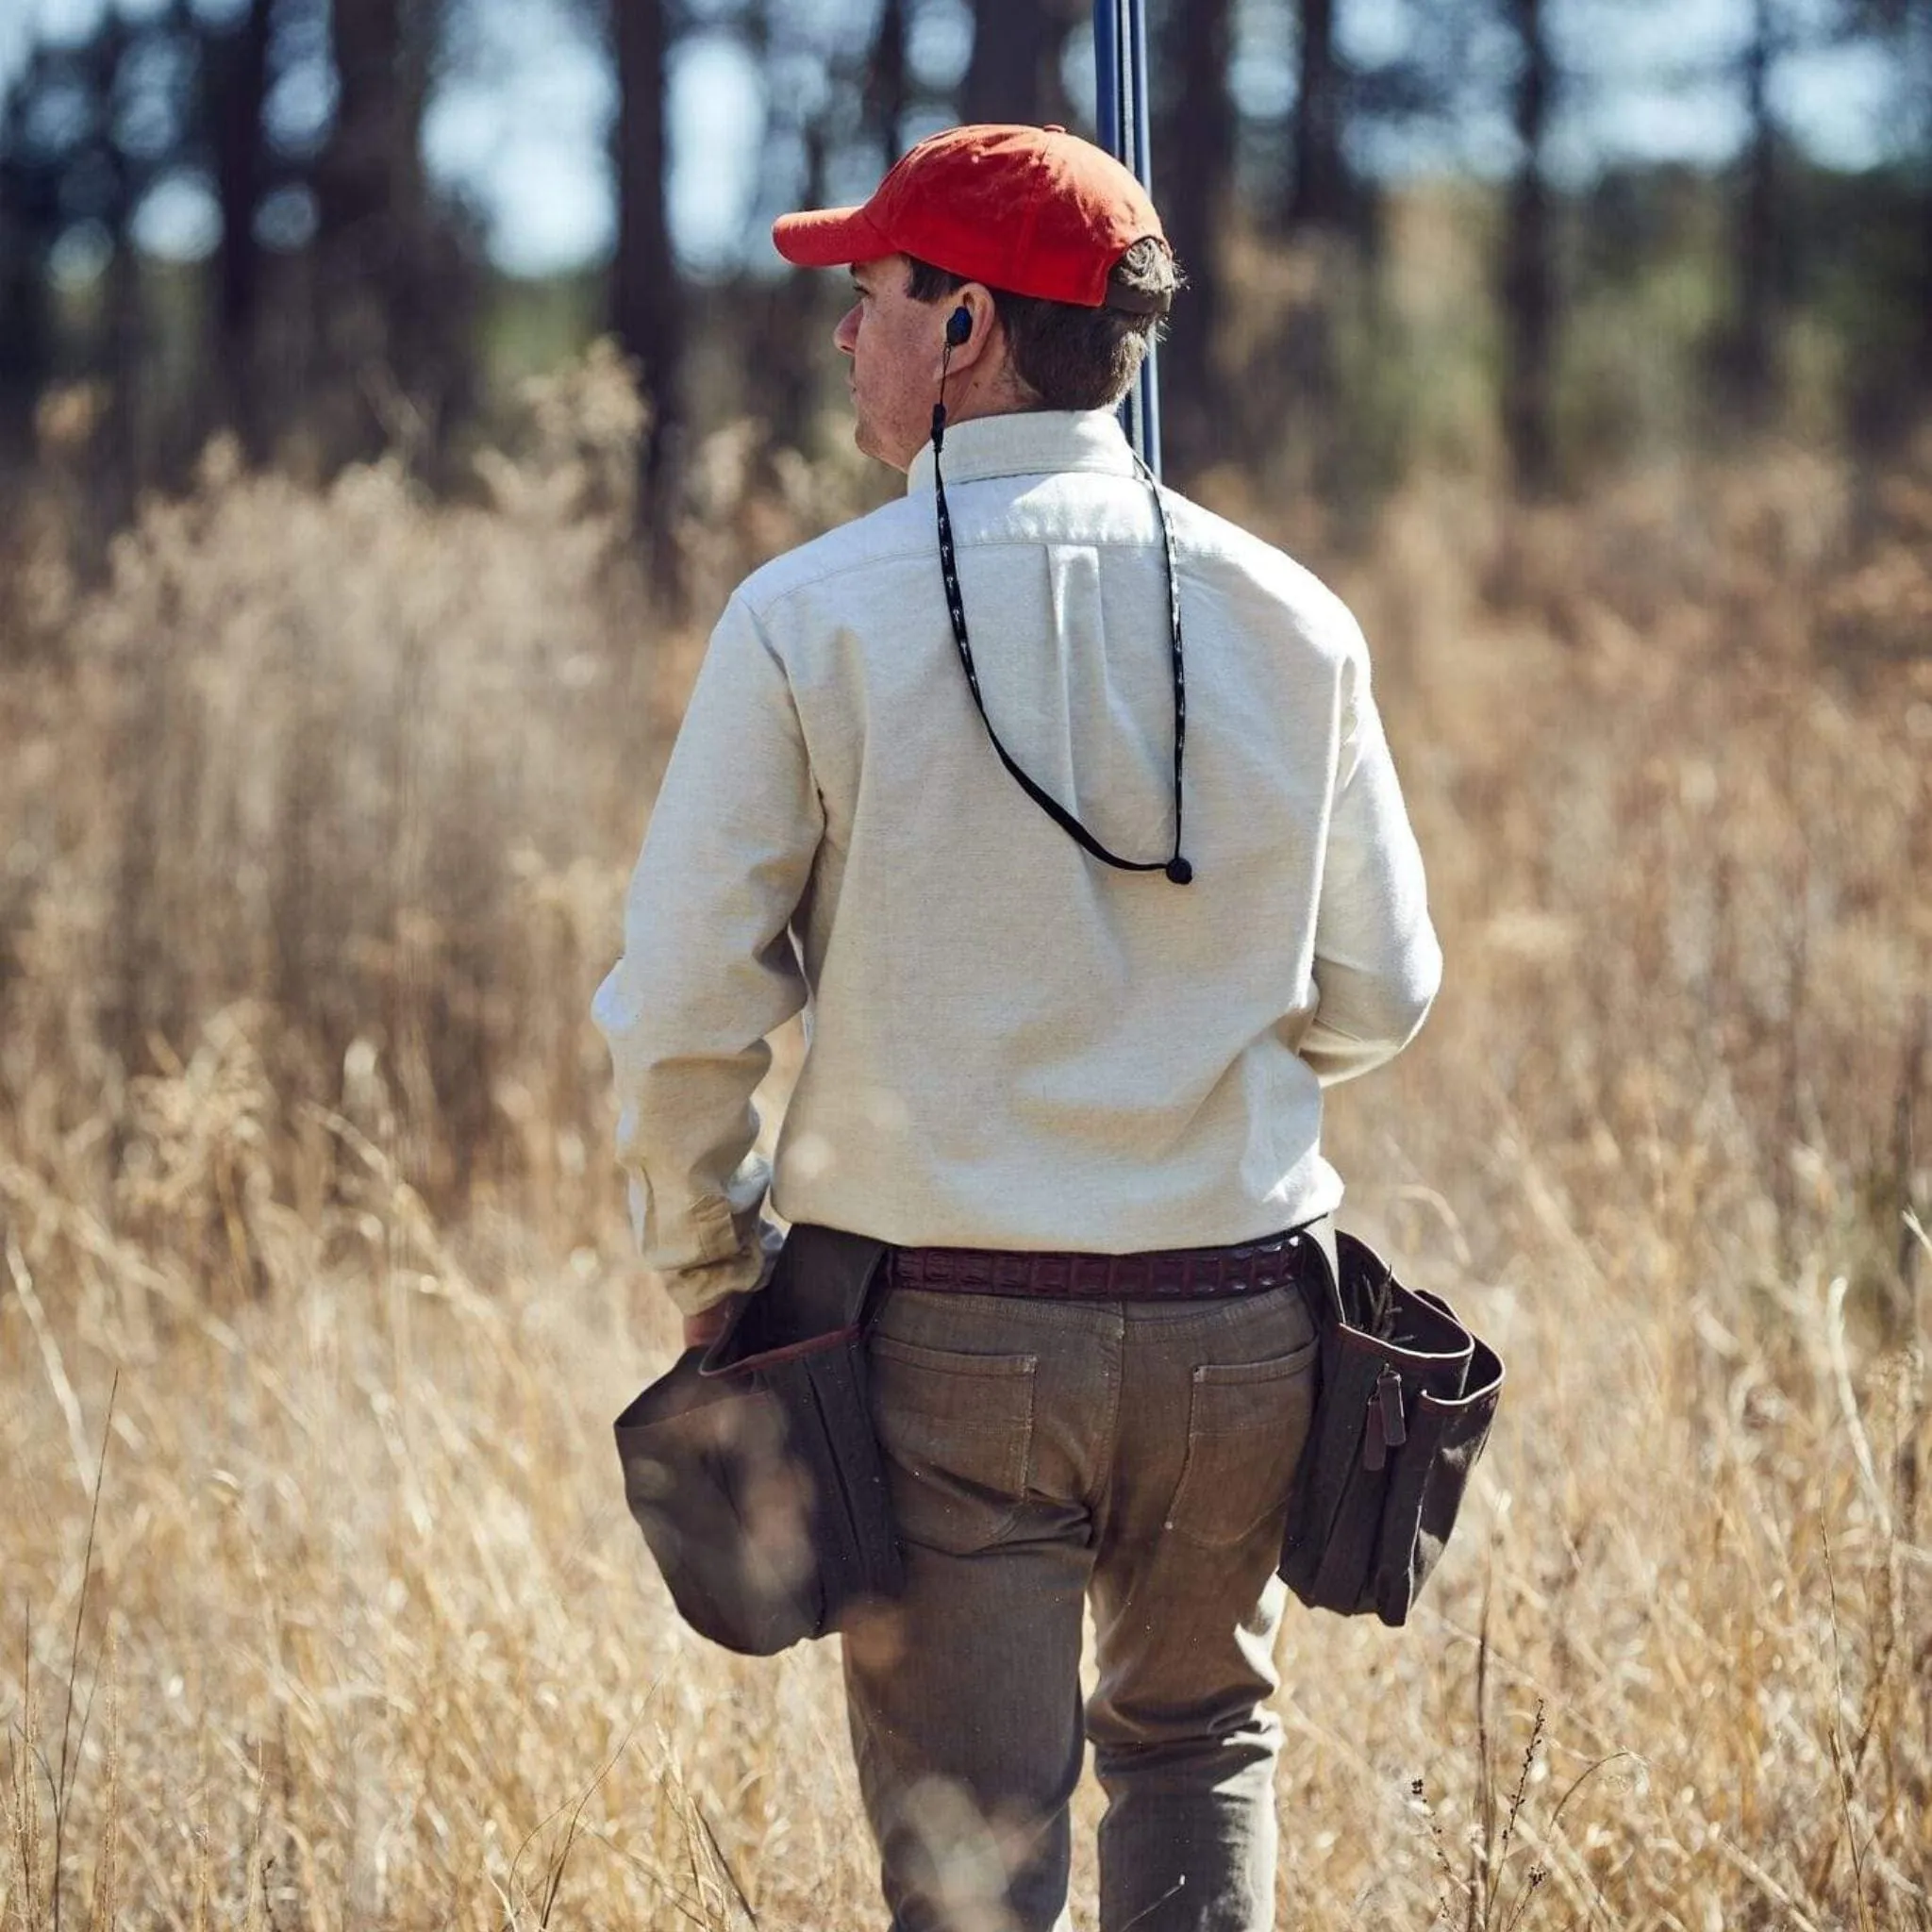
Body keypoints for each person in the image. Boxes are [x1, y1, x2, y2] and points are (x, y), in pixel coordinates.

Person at [593, 123, 1441, 1932]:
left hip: (943, 1342)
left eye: (868, 293)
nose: (842, 332)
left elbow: (681, 1009)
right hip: (1244, 1323)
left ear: (965, 325)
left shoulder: (804, 616)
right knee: (1202, 1750)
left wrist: (709, 1259)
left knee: (976, 1859)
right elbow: (1386, 993)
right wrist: (1182, 1075)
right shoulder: (1293, 613)